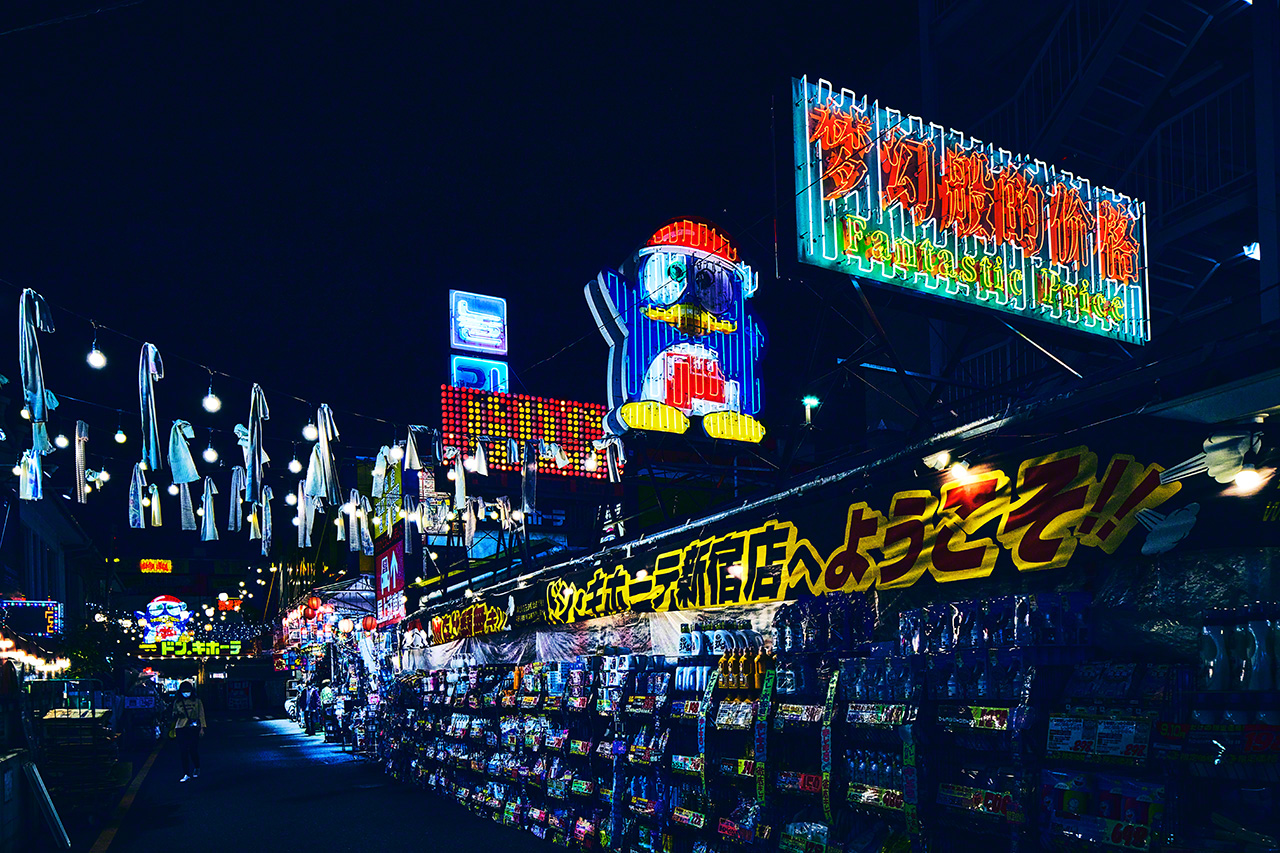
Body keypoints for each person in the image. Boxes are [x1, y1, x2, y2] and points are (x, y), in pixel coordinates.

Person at [171, 681, 205, 782]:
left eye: (188, 691)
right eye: (184, 691)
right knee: (183, 751)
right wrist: (176, 715)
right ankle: (186, 773)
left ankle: (197, 767)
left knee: (193, 749)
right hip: (180, 727)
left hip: (193, 728)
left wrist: (202, 728)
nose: (186, 693)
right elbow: (173, 713)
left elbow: (201, 714)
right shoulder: (177, 702)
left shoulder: (197, 701)